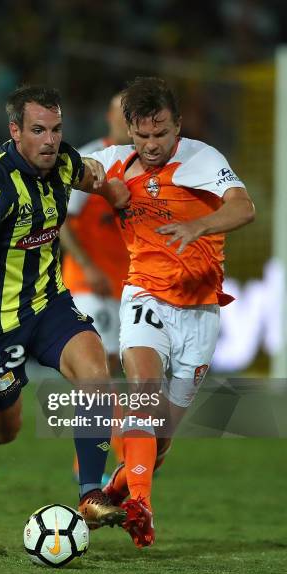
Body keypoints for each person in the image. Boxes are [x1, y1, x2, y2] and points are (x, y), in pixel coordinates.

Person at [86, 76, 255, 547]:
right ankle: (141, 506)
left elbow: (244, 208)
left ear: (177, 125)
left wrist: (198, 224)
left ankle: (115, 491)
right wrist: (92, 182)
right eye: (142, 136)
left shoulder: (201, 159)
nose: (152, 144)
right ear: (129, 131)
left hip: (200, 311)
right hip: (145, 296)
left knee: (159, 444)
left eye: (161, 134)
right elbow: (73, 169)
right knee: (142, 391)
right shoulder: (114, 161)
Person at [0, 85, 130, 529]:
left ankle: (90, 493)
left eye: (56, 129)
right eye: (38, 130)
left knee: (95, 373)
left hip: (50, 303)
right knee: (4, 429)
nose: (50, 140)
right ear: (15, 132)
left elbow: (91, 176)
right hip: (1, 323)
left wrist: (114, 192)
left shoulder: (62, 161)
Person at [60, 93, 131, 481]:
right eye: (122, 114)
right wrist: (88, 266)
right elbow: (62, 222)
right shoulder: (90, 162)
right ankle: (95, 467)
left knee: (118, 371)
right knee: (99, 371)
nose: (127, 122)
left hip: (128, 285)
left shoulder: (142, 164)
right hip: (88, 283)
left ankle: (107, 457)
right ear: (109, 116)